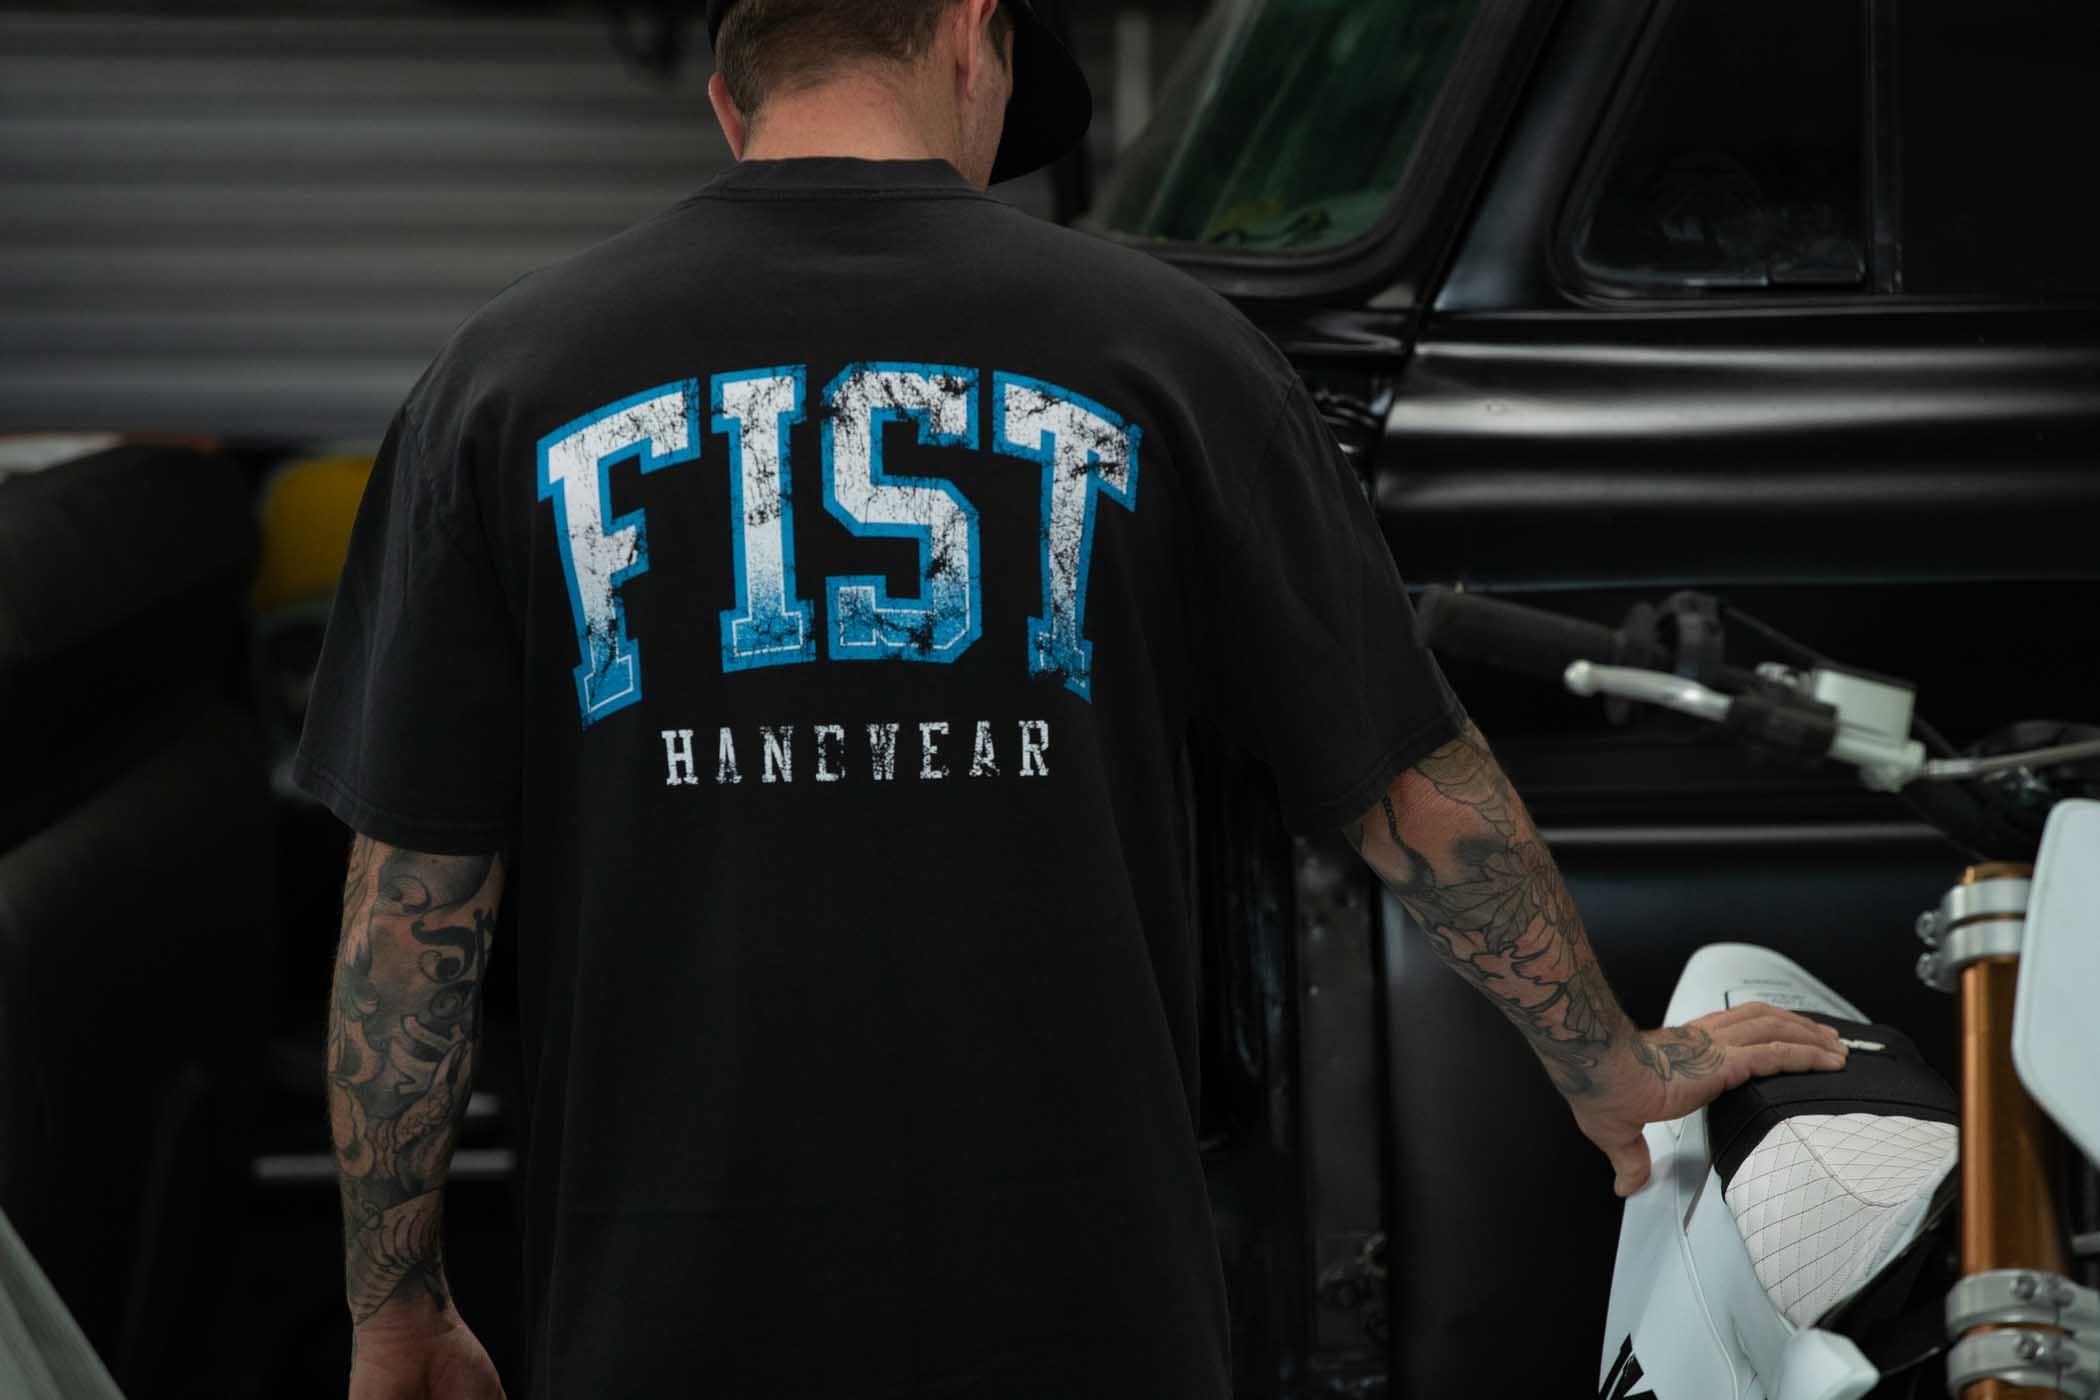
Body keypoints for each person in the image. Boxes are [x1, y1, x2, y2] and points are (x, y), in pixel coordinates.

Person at [299, 2, 1850, 1396]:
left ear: (729, 97)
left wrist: (397, 1304)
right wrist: (1611, 1067)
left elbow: (412, 911)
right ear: (970, 35)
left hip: (662, 1319)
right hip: (1082, 1315)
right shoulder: (1168, 350)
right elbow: (1408, 788)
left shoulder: (501, 385)